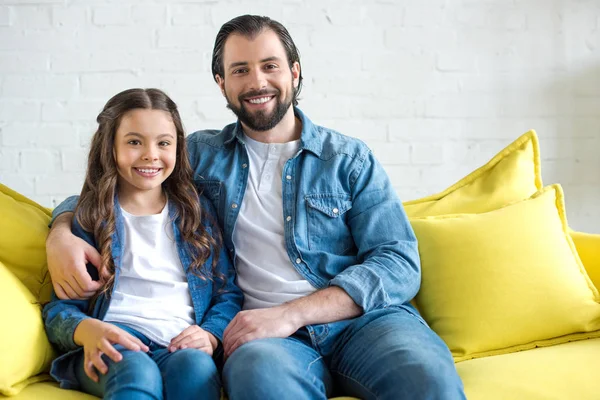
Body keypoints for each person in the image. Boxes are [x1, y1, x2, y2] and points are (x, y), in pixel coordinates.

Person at [46, 15, 466, 400]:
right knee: (258, 379)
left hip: (368, 324)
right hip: (267, 341)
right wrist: (62, 231)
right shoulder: (199, 156)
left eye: (270, 65)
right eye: (240, 70)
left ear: (294, 73)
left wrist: (291, 313)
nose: (257, 81)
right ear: (221, 83)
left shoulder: (348, 159)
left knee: (428, 379)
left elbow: (398, 262)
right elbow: (121, 185)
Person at [43, 88, 242, 400]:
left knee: (196, 368)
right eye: (134, 142)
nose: (151, 154)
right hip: (112, 343)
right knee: (138, 371)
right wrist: (88, 331)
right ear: (110, 147)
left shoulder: (196, 213)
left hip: (178, 344)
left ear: (178, 148)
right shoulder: (91, 216)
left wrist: (210, 334)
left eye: (163, 143)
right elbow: (60, 309)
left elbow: (227, 292)